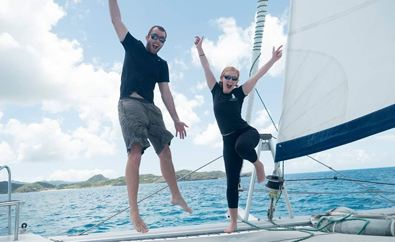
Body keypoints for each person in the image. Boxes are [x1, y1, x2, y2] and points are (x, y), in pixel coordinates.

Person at [108, 0, 192, 233]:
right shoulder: (133, 46)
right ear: (147, 36)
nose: (158, 42)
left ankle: (175, 195)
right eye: (155, 37)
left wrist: (176, 118)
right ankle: (134, 211)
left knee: (165, 150)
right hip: (130, 103)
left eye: (162, 40)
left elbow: (166, 93)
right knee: (136, 152)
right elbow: (116, 20)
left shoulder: (162, 64)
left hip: (151, 107)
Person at [194, 36, 282, 233]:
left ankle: (257, 164)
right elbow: (206, 67)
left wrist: (273, 60)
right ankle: (233, 222)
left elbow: (257, 76)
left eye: (234, 78)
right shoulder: (215, 90)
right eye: (228, 77)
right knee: (231, 182)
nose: (231, 81)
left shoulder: (240, 92)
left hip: (246, 133)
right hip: (228, 141)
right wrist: (200, 48)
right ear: (222, 79)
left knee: (241, 147)